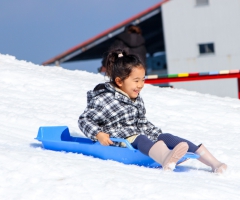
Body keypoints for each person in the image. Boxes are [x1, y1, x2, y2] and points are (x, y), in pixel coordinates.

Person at [78, 49, 227, 173]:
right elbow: (84, 120)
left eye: (143, 79)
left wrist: (156, 134)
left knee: (167, 137)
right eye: (136, 81)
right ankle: (165, 158)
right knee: (140, 139)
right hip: (120, 138)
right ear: (119, 81)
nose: (141, 85)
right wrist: (98, 134)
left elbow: (141, 121)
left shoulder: (134, 96)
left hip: (140, 133)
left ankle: (214, 163)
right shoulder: (105, 99)